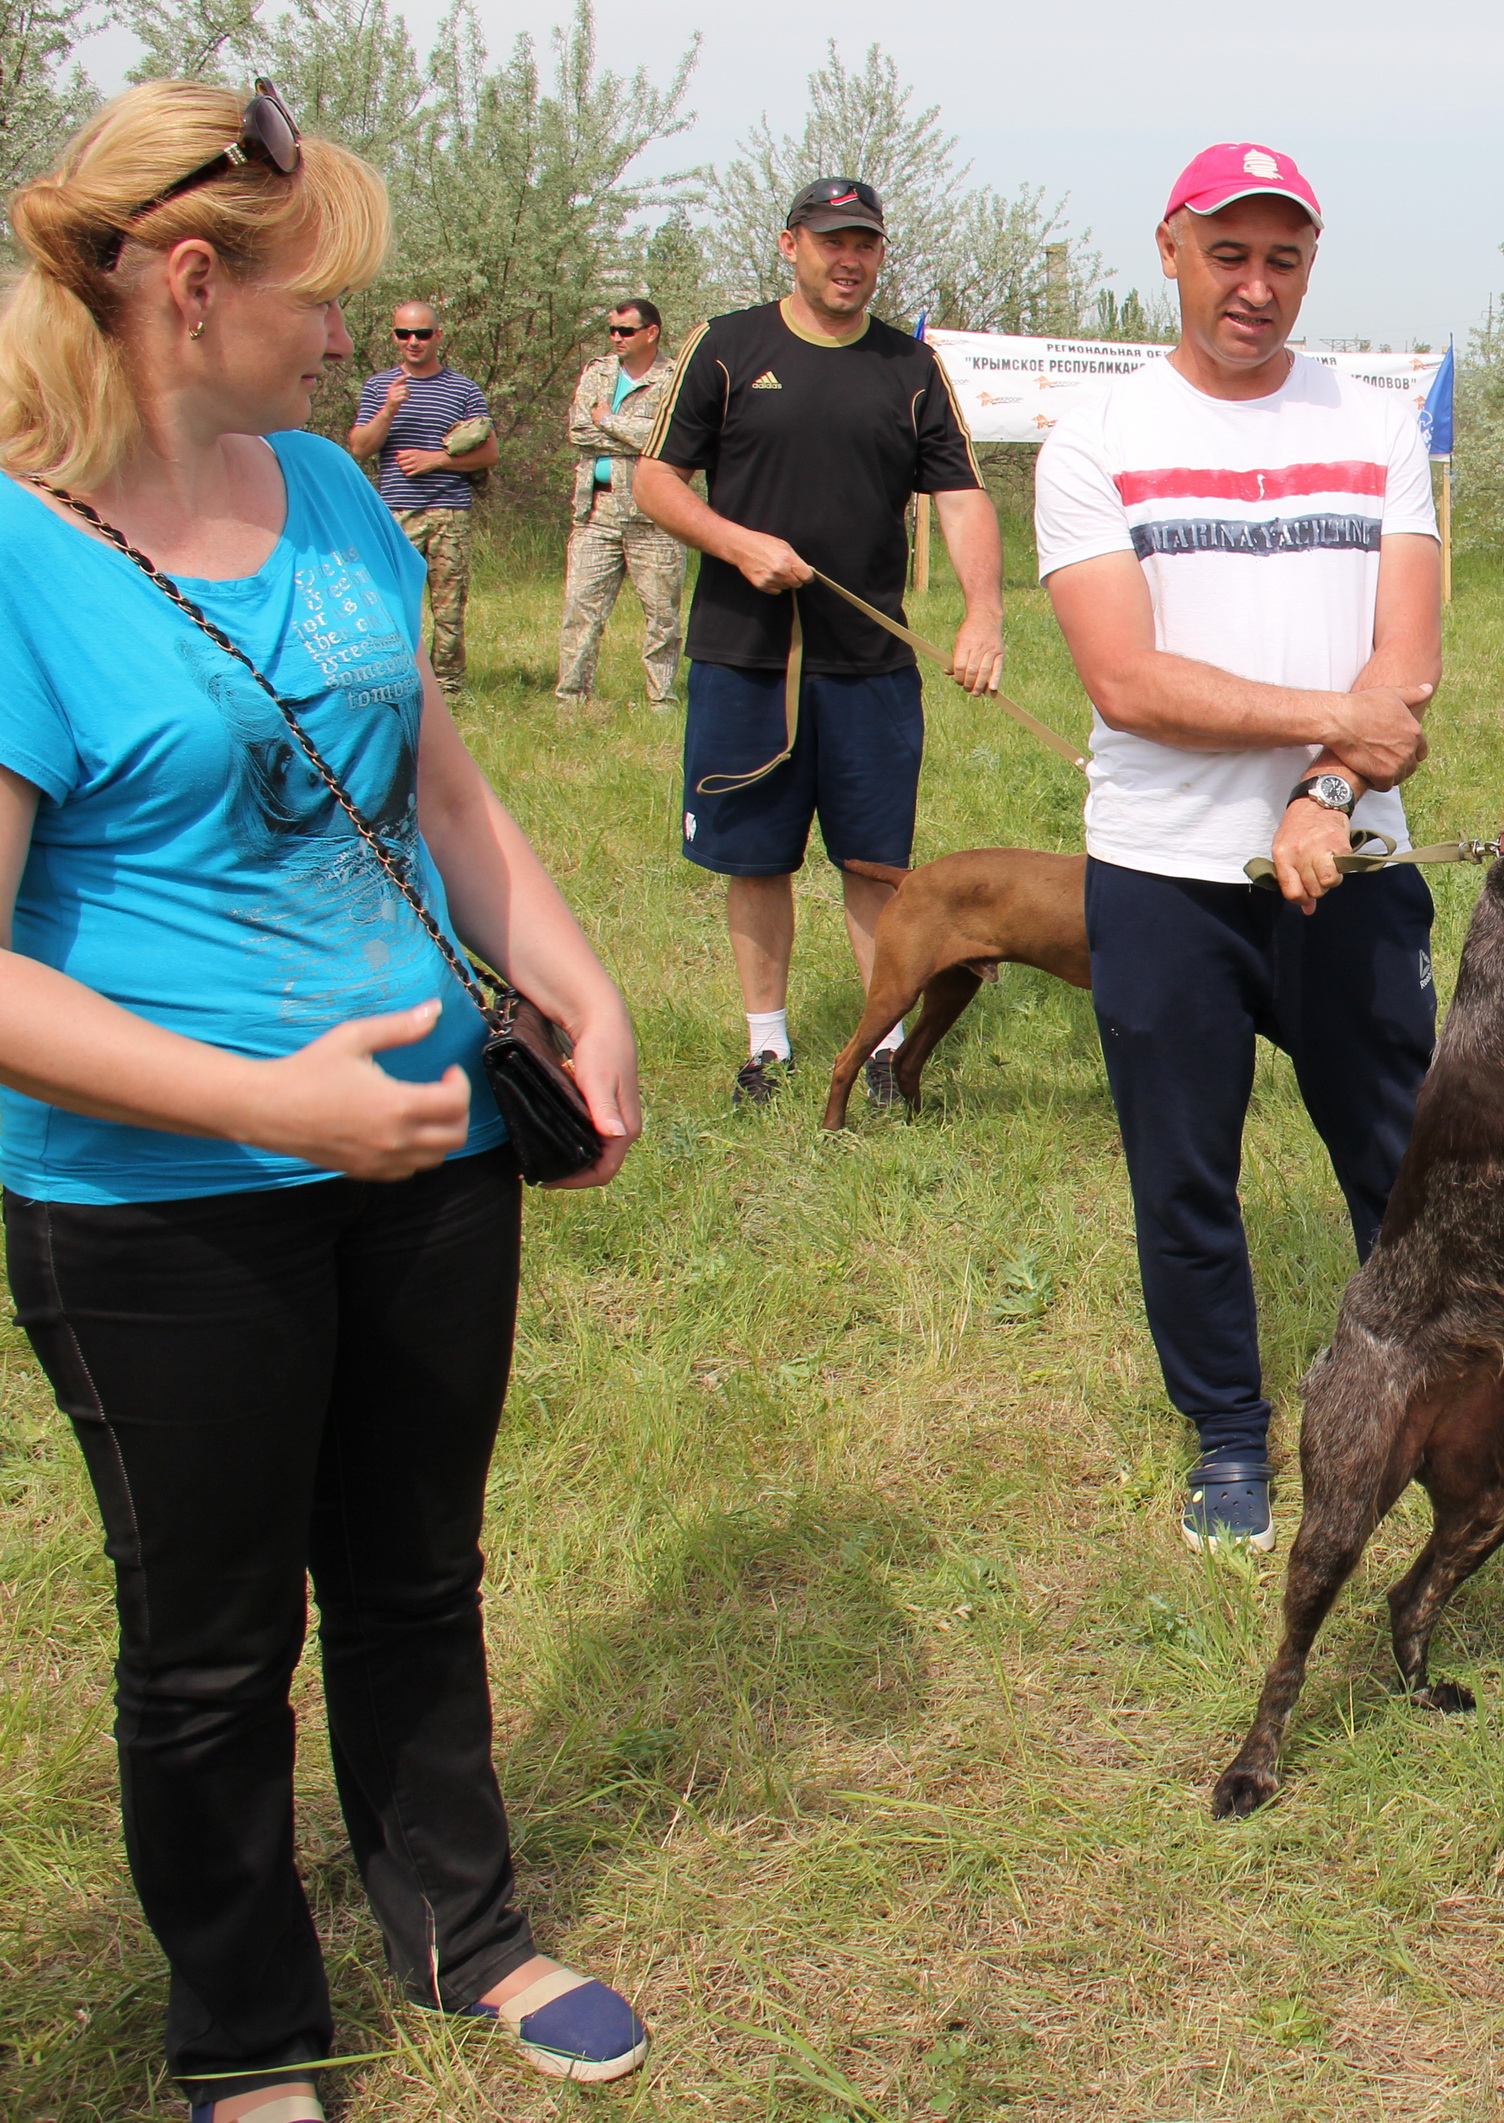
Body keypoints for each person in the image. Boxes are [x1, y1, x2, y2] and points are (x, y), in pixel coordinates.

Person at [0, 81, 652, 2122]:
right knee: (207, 1642)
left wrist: (573, 978)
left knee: (413, 1568)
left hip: (429, 1151)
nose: (355, 337)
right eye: (323, 296)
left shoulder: (329, 489)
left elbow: (438, 783)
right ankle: (246, 2031)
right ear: (190, 285)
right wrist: (266, 1099)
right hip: (153, 1199)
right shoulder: (16, 554)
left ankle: (465, 1925)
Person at [1035, 141, 1504, 1550]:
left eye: (1283, 259)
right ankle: (1228, 1436)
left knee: (1410, 1170)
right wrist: (1337, 721)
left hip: (1356, 870)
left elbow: (1408, 656)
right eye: (1228, 254)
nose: (1255, 286)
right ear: (1170, 248)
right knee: (1184, 1172)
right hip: (1162, 871)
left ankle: (1465, 1422)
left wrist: (1326, 790)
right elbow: (1128, 682)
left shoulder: (1375, 424)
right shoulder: (1096, 438)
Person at [634, 177, 1002, 1107]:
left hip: (871, 664)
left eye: (865, 244)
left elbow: (961, 494)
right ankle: (766, 1047)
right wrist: (736, 543)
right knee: (756, 858)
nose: (850, 260)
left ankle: (883, 1051)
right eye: (832, 241)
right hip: (745, 659)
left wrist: (984, 613)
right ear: (789, 244)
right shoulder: (727, 346)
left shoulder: (910, 367)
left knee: (875, 862)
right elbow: (655, 481)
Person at [345, 294, 492, 694]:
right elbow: (359, 447)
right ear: (394, 337)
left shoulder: (463, 389)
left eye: (423, 333)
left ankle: (448, 689)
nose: (414, 341)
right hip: (396, 513)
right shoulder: (379, 387)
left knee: (449, 609)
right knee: (391, 602)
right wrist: (389, 409)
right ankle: (397, 681)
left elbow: (489, 453)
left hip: (449, 511)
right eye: (404, 333)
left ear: (438, 336)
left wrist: (436, 460)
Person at [554, 296, 683, 708]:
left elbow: (670, 438)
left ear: (651, 332)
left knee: (662, 618)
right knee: (580, 611)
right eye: (611, 329)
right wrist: (635, 434)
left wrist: (608, 421)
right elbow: (579, 431)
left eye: (626, 330)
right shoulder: (599, 372)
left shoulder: (675, 377)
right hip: (596, 512)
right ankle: (572, 700)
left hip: (655, 516)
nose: (616, 337)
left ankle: (660, 701)